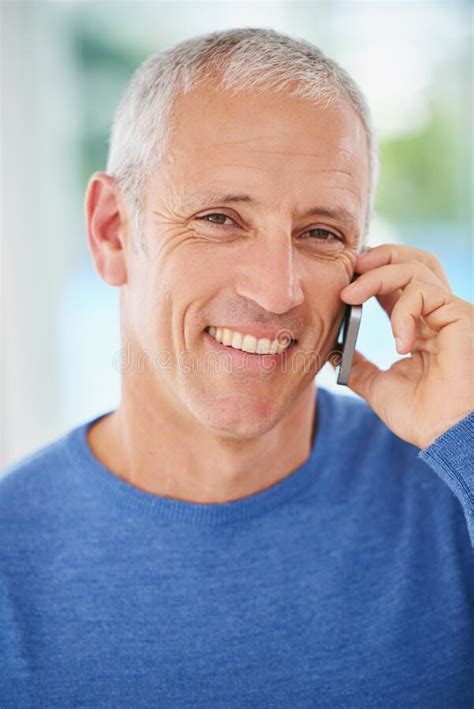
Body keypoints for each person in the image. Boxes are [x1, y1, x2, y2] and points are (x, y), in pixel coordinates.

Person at [1, 27, 473, 708]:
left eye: (321, 233)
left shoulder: (451, 486)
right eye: (221, 218)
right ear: (112, 232)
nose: (277, 290)